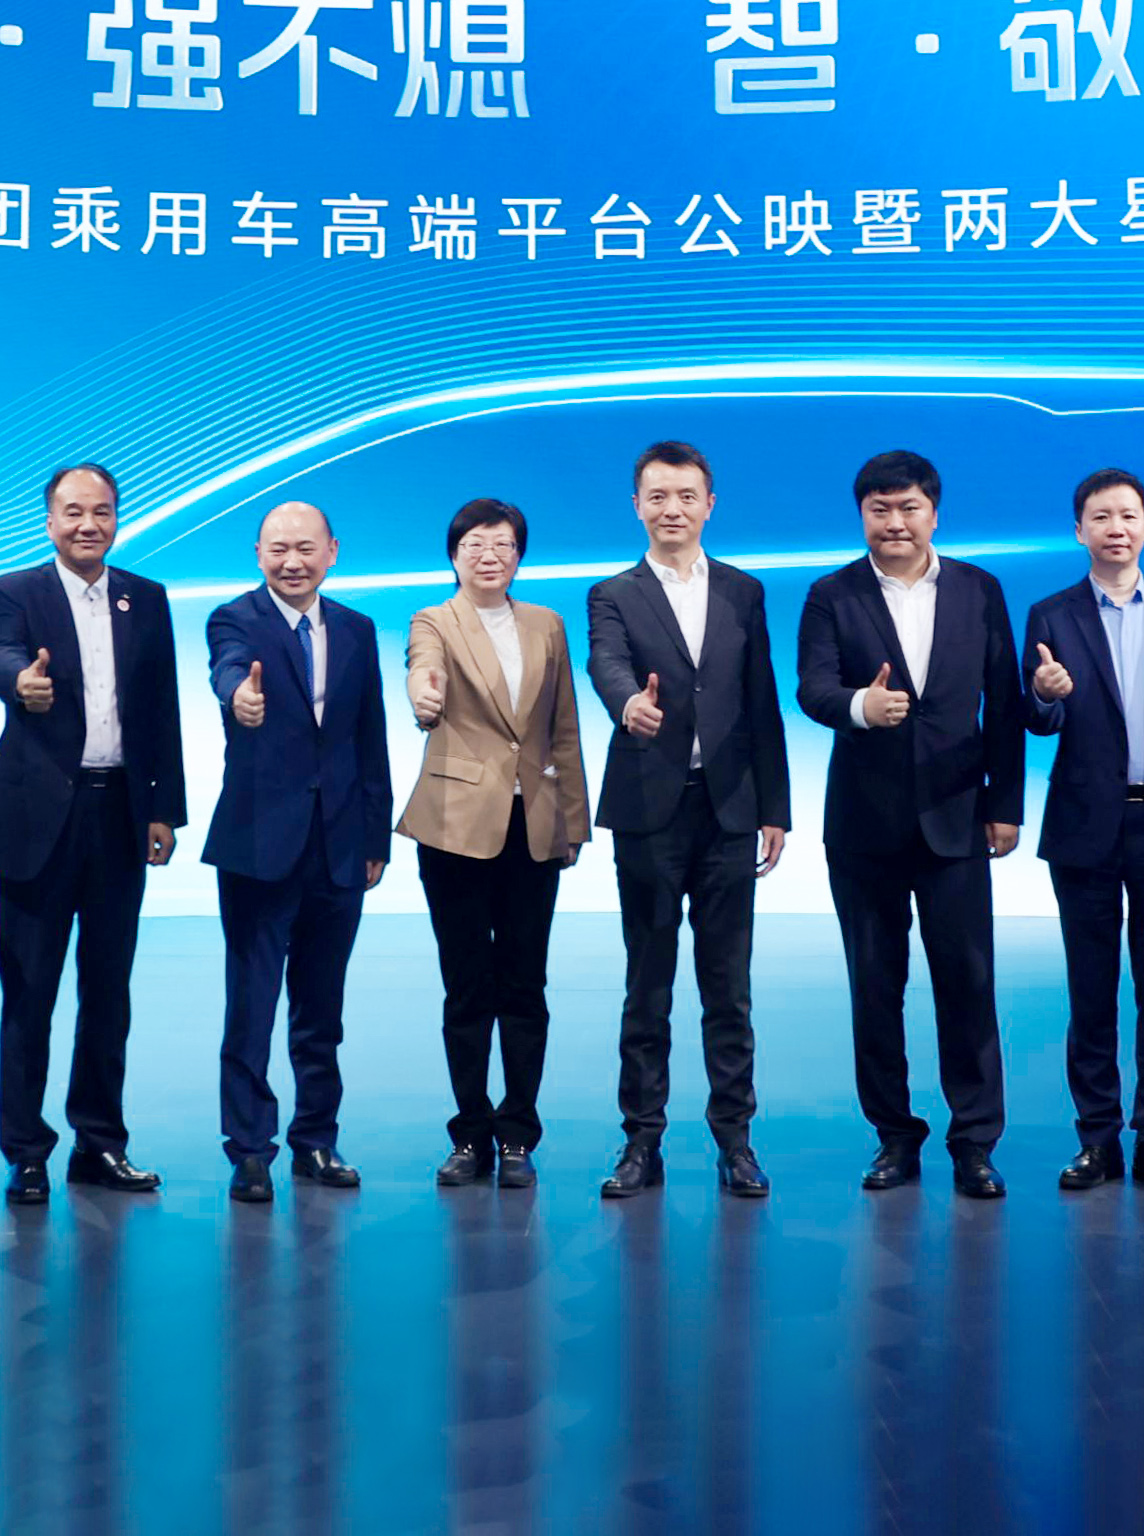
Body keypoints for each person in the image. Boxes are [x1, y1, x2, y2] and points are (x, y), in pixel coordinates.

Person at [795, 449, 1025, 1199]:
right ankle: (894, 1135)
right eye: (879, 510)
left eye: (908, 508)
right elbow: (813, 689)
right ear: (862, 515)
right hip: (864, 826)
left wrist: (1005, 804)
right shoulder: (832, 594)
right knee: (875, 986)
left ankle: (975, 1141)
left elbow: (1004, 701)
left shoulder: (979, 589)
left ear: (933, 512)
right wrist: (861, 706)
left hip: (959, 819)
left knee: (969, 983)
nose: (894, 522)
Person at [0, 463, 187, 1206]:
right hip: (38, 822)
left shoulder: (145, 597)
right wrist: (17, 681)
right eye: (72, 511)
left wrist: (163, 808)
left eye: (101, 511)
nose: (88, 524)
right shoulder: (15, 591)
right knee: (29, 992)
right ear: (50, 521)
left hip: (119, 811)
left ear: (117, 517)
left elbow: (160, 707)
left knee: (108, 990)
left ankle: (100, 1143)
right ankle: (26, 1151)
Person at [582, 439, 789, 1201]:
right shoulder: (613, 593)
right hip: (649, 809)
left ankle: (735, 1141)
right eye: (658, 496)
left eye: (686, 496)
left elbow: (761, 699)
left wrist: (774, 807)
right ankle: (642, 1141)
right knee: (649, 983)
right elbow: (606, 662)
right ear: (637, 506)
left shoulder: (743, 591)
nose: (673, 509)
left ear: (709, 505)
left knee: (728, 987)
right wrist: (626, 703)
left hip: (729, 808)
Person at [1020, 467, 1144, 1196]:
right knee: (1091, 989)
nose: (1116, 528)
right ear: (1079, 531)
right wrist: (1044, 695)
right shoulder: (1050, 614)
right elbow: (1037, 718)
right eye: (1101, 517)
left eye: (1128, 515)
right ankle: (1098, 1138)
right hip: (1085, 825)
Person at [201, 500, 393, 1204]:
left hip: (340, 844)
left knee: (321, 1008)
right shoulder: (234, 619)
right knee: (251, 1004)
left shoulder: (356, 628)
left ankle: (316, 1139)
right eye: (278, 549)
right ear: (258, 554)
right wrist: (238, 698)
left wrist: (375, 835)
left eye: (306, 548)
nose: (292, 561)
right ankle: (250, 1149)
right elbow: (227, 671)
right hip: (259, 843)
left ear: (332, 551)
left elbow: (369, 734)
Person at [400, 497, 590, 1191]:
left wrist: (573, 818)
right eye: (475, 544)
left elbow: (563, 725)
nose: (489, 555)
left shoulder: (546, 624)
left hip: (532, 824)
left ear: (519, 555)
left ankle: (517, 1134)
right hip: (454, 825)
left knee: (525, 983)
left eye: (503, 544)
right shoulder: (434, 620)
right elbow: (423, 669)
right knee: (466, 986)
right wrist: (423, 697)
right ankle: (469, 1133)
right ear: (454, 554)